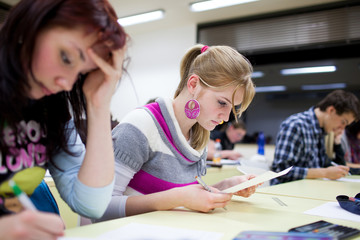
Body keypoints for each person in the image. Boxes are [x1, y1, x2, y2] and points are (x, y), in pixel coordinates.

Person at [0, 0, 127, 239]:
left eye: (80, 73)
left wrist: (99, 105)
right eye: (67, 58)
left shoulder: (51, 108)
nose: (67, 83)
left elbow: (91, 204)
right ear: (32, 26)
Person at [96, 44, 258, 222]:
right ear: (194, 84)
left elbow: (184, 193)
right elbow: (100, 208)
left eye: (232, 108)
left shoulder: (198, 135)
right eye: (222, 102)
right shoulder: (141, 125)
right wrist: (177, 198)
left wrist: (226, 185)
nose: (226, 117)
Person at [271, 90, 360, 185]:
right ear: (331, 110)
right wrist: (325, 173)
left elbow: (325, 164)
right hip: (284, 192)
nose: (342, 128)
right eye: (343, 122)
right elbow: (280, 171)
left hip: (308, 188)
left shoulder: (320, 130)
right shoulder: (295, 125)